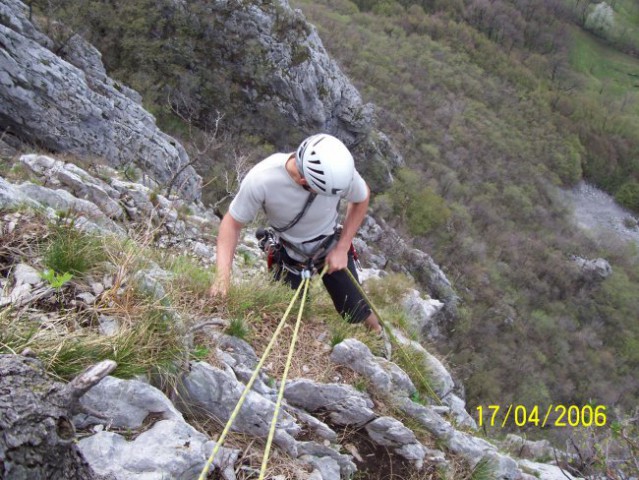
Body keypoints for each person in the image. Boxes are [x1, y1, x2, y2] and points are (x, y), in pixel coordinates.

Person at [209, 133, 385, 338]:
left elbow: (361, 197)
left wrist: (343, 247)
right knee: (287, 314)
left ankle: (378, 333)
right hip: (289, 253)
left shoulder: (337, 170)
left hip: (329, 243)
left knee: (354, 308)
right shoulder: (263, 179)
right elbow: (231, 223)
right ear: (303, 180)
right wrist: (222, 277)